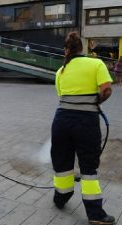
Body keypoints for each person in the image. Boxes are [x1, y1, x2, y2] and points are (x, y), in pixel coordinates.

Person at [51, 32, 115, 225]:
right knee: (88, 167)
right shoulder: (96, 64)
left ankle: (60, 198)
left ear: (66, 50)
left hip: (61, 121)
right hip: (86, 122)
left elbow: (62, 97)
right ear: (82, 48)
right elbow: (106, 90)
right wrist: (96, 102)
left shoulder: (60, 71)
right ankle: (95, 214)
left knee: (62, 162)